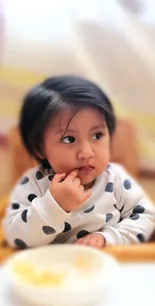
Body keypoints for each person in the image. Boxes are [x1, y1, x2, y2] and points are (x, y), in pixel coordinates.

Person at [3, 75, 155, 249]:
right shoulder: (33, 184)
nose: (87, 153)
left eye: (97, 136)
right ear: (40, 149)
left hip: (105, 266)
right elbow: (15, 236)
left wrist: (107, 237)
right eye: (69, 139)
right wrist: (54, 206)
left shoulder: (116, 179)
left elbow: (147, 217)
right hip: (52, 271)